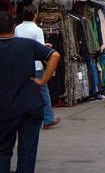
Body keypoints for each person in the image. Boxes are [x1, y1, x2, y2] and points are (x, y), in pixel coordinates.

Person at [0, 11, 60, 173]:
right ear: (14, 26)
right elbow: (55, 55)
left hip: (4, 107)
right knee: (28, 151)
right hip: (30, 104)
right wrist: (43, 80)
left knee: (3, 151)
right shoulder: (27, 45)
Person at [14, 5, 61, 129]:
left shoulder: (18, 28)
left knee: (22, 90)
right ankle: (48, 119)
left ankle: (21, 118)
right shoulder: (37, 30)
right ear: (35, 15)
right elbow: (39, 50)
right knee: (43, 90)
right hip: (36, 65)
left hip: (21, 65)